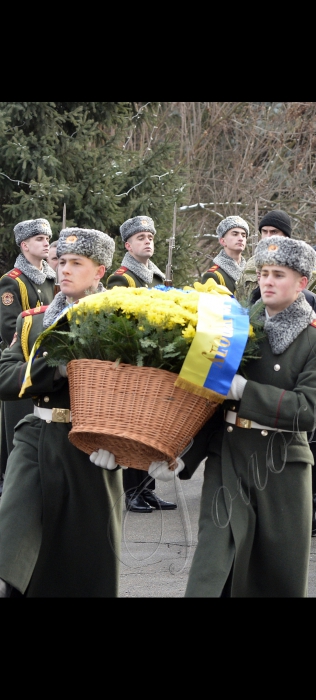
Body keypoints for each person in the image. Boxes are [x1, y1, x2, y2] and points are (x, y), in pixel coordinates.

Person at [180, 236, 316, 597]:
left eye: (278, 274)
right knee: (212, 569)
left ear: (302, 282)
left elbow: (309, 410)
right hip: (229, 459)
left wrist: (243, 391)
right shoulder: (234, 329)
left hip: (280, 468)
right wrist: (180, 455)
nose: (267, 281)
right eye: (264, 273)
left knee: (272, 575)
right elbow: (208, 403)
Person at [0, 227, 121, 597]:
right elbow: (4, 376)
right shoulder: (32, 321)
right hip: (36, 441)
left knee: (85, 562)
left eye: (76, 263)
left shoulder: (124, 319)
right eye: (61, 261)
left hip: (92, 449)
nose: (64, 269)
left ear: (99, 271)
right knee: (12, 547)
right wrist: (54, 369)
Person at [106, 215, 175, 514]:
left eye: (151, 237)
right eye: (141, 238)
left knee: (152, 429)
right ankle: (132, 490)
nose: (148, 241)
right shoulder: (122, 277)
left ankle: (148, 489)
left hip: (157, 360)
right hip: (134, 361)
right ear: (128, 244)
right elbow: (122, 322)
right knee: (133, 428)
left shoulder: (158, 277)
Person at [0, 218, 56, 496]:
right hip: (25, 361)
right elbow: (10, 328)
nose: (46, 242)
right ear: (24, 245)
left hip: (47, 360)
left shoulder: (52, 278)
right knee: (17, 428)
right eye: (39, 239)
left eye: (47, 238)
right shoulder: (13, 282)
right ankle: (11, 482)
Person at [238, 210, 316, 320]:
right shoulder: (251, 264)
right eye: (265, 232)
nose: (268, 237)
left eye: (274, 232)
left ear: (286, 236)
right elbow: (241, 298)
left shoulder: (304, 265)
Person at [201, 215, 248, 295]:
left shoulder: (251, 272)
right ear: (223, 241)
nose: (240, 238)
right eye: (235, 234)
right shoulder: (213, 275)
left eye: (243, 235)